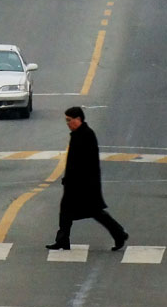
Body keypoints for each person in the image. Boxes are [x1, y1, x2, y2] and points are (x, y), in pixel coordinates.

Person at [47, 106, 128, 252]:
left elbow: (86, 162)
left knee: (96, 212)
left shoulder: (86, 135)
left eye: (69, 120)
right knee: (65, 211)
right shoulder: (78, 134)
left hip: (85, 184)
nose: (67, 123)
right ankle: (62, 240)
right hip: (74, 183)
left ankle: (119, 234)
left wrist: (77, 180)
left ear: (78, 119)